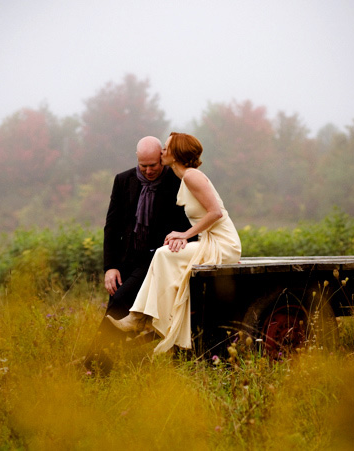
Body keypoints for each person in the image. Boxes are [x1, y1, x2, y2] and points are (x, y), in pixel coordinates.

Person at [107, 132, 242, 354]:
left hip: (223, 243)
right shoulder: (183, 177)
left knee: (162, 254)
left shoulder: (191, 176)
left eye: (166, 147)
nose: (162, 151)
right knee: (165, 255)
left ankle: (141, 318)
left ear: (175, 153)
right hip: (210, 240)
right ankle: (146, 317)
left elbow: (216, 213)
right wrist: (182, 238)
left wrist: (184, 235)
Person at [84, 136, 192, 372]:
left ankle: (92, 366)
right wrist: (110, 267)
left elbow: (187, 222)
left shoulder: (176, 181)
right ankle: (103, 365)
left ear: (162, 159)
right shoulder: (123, 180)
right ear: (137, 160)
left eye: (154, 165)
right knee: (116, 306)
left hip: (157, 259)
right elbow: (111, 226)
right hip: (126, 259)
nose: (149, 170)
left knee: (121, 303)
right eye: (144, 166)